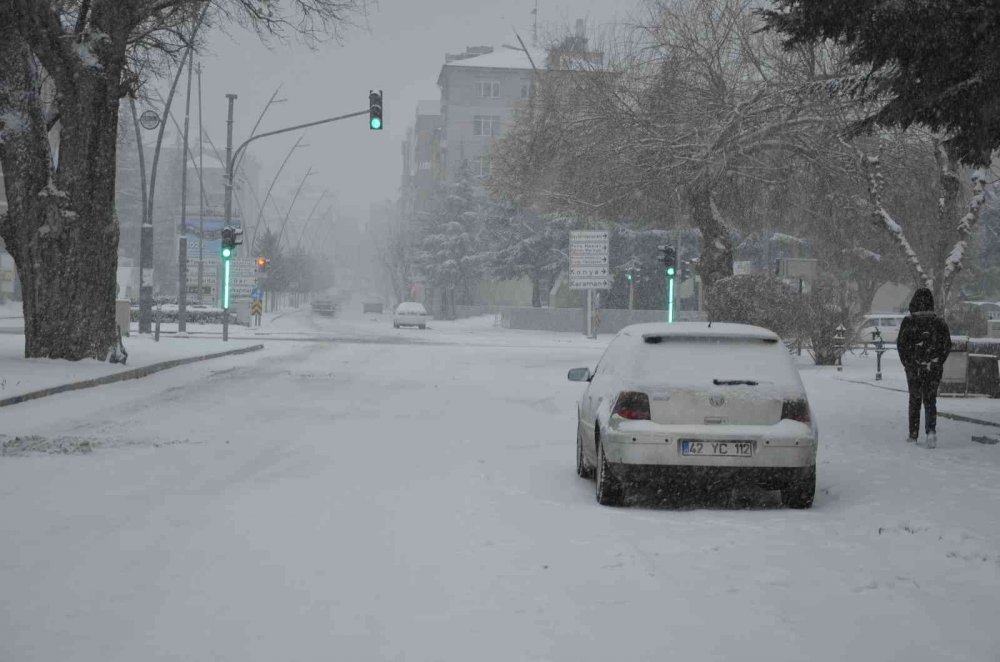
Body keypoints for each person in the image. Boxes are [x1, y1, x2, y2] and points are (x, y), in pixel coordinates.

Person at [896, 288, 952, 448]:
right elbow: (946, 345)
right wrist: (938, 361)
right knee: (930, 400)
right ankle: (931, 432)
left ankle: (913, 434)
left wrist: (908, 363)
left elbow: (901, 345)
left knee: (914, 400)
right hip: (933, 368)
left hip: (914, 367)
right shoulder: (939, 323)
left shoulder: (908, 322)